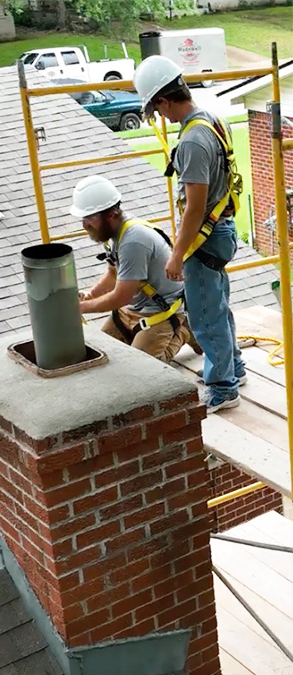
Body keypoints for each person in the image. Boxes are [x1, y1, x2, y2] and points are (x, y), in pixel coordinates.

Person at [133, 56, 246, 413]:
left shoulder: (194, 140)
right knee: (218, 306)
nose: (160, 116)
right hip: (219, 231)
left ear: (165, 100)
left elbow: (195, 207)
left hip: (205, 238)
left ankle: (223, 388)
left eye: (157, 108)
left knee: (205, 314)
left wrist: (177, 254)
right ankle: (234, 369)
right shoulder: (211, 119)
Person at [70, 175, 193, 363]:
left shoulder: (133, 240)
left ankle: (183, 330)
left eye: (89, 218)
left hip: (159, 312)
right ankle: (138, 336)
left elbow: (121, 296)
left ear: (110, 214)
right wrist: (91, 294)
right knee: (100, 356)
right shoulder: (112, 235)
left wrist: (80, 308)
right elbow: (113, 274)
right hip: (130, 310)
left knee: (141, 369)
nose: (84, 225)